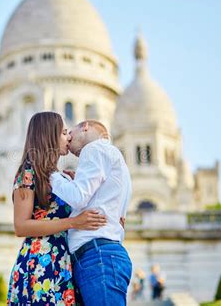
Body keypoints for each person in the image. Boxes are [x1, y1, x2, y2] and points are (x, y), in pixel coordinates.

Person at [7, 112, 108, 305]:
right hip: (40, 264)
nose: (69, 137)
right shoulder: (29, 172)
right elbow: (21, 226)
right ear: (49, 136)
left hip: (64, 261)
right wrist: (72, 223)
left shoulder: (58, 177)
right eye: (63, 132)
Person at [50, 120, 133, 305]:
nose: (68, 140)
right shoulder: (118, 162)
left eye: (70, 133)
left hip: (97, 256)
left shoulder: (93, 148)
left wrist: (51, 175)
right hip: (104, 255)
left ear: (85, 127)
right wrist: (74, 182)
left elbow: (79, 197)